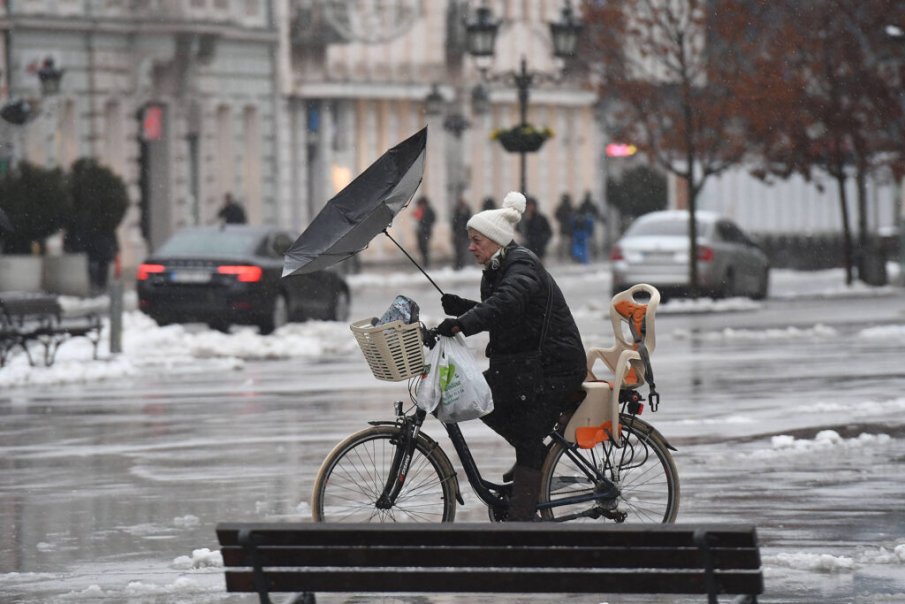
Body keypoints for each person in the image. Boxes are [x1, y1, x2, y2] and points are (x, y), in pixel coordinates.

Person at [436, 191, 587, 521]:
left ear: (495, 240)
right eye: (470, 240)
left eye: (476, 240)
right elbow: (507, 311)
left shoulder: (521, 265)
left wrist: (463, 324)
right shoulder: (498, 266)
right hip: (526, 363)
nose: (471, 246)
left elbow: (507, 302)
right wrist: (464, 307)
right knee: (480, 397)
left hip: (554, 365)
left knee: (526, 432)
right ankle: (531, 462)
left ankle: (522, 516)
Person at [519, 196, 552, 261]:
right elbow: (518, 229)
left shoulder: (541, 218)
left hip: (539, 249)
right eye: (528, 205)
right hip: (527, 248)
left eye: (531, 205)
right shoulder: (523, 218)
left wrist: (542, 241)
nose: (530, 207)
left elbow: (549, 232)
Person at [412, 196, 436, 268]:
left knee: (425, 247)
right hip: (420, 232)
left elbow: (433, 219)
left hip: (426, 232)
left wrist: (426, 224)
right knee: (421, 247)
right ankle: (424, 262)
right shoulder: (420, 210)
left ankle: (426, 263)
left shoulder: (429, 210)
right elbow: (417, 218)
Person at [450, 197, 472, 270]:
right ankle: (458, 264)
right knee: (457, 250)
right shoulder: (457, 212)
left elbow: (468, 222)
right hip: (458, 234)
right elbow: (454, 223)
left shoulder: (466, 211)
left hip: (463, 234)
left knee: (463, 250)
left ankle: (462, 264)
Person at [554, 193, 574, 261]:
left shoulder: (562, 207)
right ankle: (566, 255)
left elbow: (556, 215)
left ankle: (562, 256)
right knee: (568, 243)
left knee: (563, 242)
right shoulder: (570, 207)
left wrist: (561, 219)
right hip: (569, 228)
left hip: (564, 228)